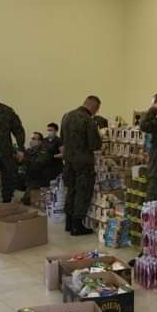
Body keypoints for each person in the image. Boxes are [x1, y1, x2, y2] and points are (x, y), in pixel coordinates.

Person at [61, 96, 103, 236]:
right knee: (82, 192)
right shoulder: (88, 121)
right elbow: (94, 144)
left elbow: (62, 139)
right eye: (97, 109)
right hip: (83, 162)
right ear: (94, 107)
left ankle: (68, 223)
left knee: (71, 190)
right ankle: (77, 226)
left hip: (69, 160)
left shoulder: (66, 116)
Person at [20, 132, 53, 205]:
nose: (32, 140)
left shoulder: (44, 152)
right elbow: (23, 163)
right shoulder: (29, 151)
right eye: (31, 138)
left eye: (34, 139)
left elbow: (37, 167)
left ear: (40, 141)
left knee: (27, 201)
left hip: (39, 181)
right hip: (30, 180)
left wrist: (23, 160)